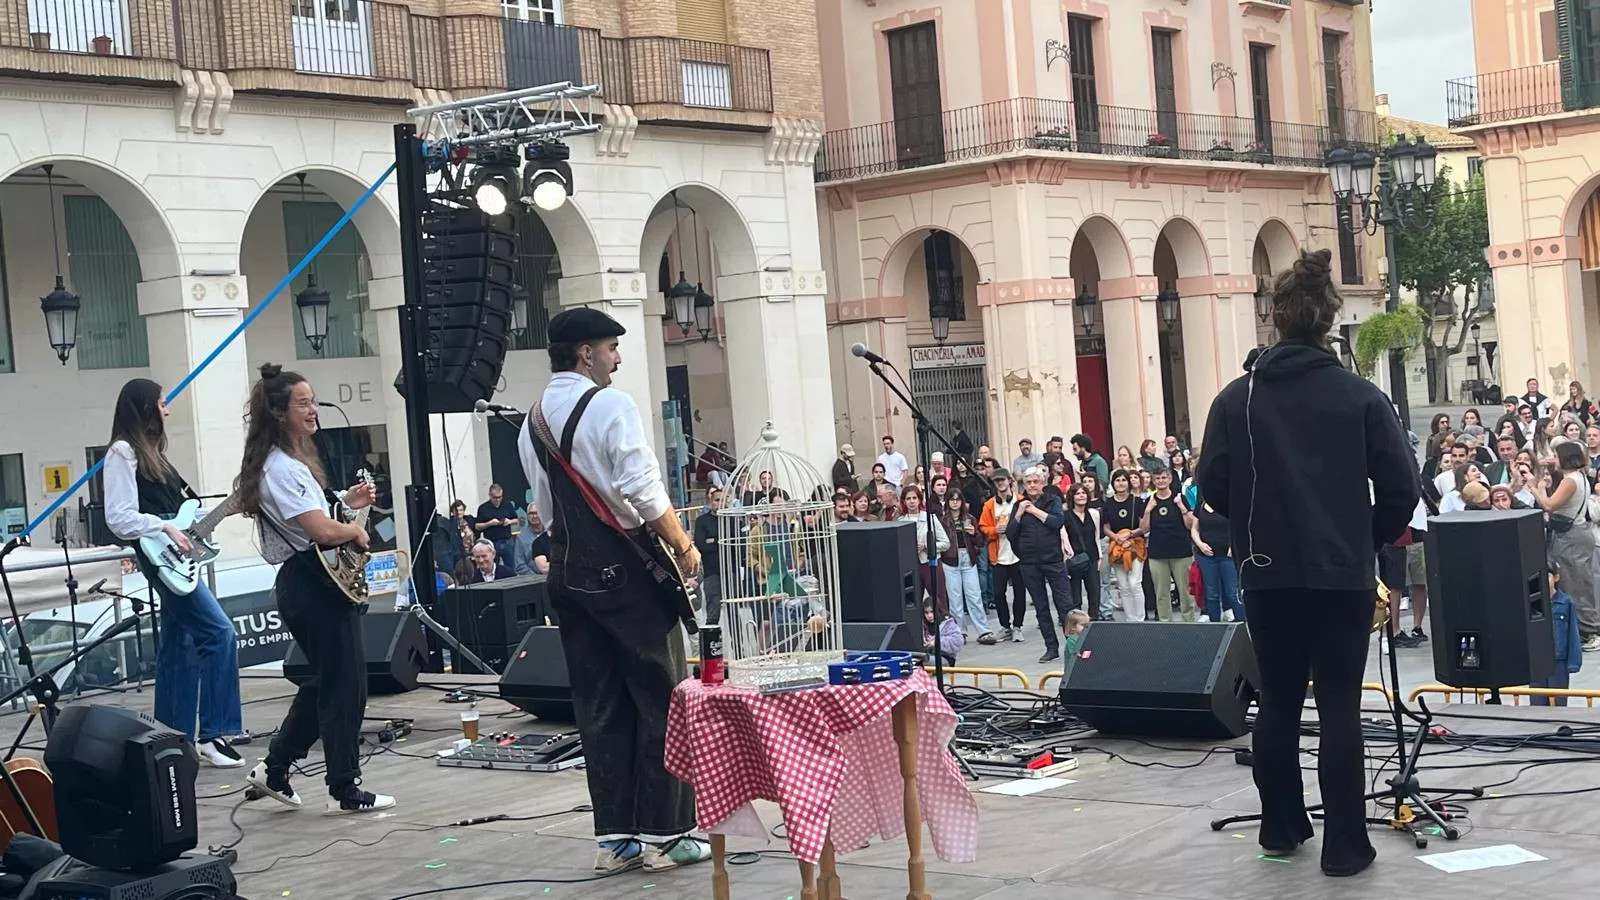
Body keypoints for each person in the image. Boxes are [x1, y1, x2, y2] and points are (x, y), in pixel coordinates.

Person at [1196, 249, 1418, 877]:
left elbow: (1212, 484)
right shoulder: (1360, 396)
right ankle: (1346, 848)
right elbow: (1402, 490)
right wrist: (1362, 537)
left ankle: (1281, 827)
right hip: (1341, 572)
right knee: (1341, 706)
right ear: (1328, 321)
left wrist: (1253, 522)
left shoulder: (1234, 399)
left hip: (1267, 573)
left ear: (1276, 319)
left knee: (1279, 704)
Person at [517, 307, 710, 874]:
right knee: (662, 695)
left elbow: (546, 508)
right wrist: (682, 543)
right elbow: (641, 486)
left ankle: (617, 840)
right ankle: (672, 834)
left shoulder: (533, 419)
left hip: (569, 574)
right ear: (586, 354)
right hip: (626, 571)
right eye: (610, 349)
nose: (617, 359)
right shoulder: (610, 405)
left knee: (598, 704)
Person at [238, 364, 394, 814]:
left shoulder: (286, 463)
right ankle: (345, 787)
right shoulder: (280, 468)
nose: (313, 410)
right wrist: (353, 531)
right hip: (310, 582)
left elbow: (316, 513)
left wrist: (348, 502)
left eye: (312, 401)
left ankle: (276, 767)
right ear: (279, 413)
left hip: (311, 581)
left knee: (327, 681)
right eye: (302, 403)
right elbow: (320, 531)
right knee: (345, 686)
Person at [103, 378, 244, 769]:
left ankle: (171, 739)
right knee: (219, 633)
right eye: (163, 403)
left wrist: (225, 509)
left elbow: (180, 513)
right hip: (159, 557)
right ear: (147, 409)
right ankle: (216, 734)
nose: (167, 410)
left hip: (173, 556)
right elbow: (118, 517)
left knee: (178, 649)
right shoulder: (122, 452)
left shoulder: (154, 457)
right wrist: (163, 528)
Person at [1531, 440, 1600, 652]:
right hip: (1577, 533)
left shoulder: (1571, 480)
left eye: (1557, 456)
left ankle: (1589, 631)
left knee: (1575, 581)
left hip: (1572, 536)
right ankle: (1587, 628)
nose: (1555, 459)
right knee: (1579, 579)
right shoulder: (1580, 477)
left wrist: (1536, 489)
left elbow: (1549, 505)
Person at [1006, 467, 1073, 663]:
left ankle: (1073, 645)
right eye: (1029, 482)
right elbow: (1010, 533)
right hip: (1029, 563)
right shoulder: (1018, 505)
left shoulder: (1053, 500)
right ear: (1024, 485)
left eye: (1036, 481)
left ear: (1043, 483)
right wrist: (1019, 512)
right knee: (1041, 607)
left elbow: (1057, 522)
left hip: (1053, 560)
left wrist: (1033, 511)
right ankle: (1051, 647)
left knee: (1065, 606)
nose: (1032, 485)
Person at [1139, 469, 1197, 622]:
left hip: (1181, 552)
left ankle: (1189, 623)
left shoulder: (1180, 498)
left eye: (1164, 478)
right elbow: (1144, 529)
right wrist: (1148, 510)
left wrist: (1183, 509)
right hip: (1157, 554)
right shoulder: (1149, 501)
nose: (1161, 481)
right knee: (1161, 593)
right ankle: (1166, 624)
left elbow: (1191, 526)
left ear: (1170, 479)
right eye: (1157, 478)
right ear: (1153, 480)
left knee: (1186, 592)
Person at [979, 468, 1028, 643]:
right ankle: (1005, 626)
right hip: (998, 555)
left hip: (1018, 555)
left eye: (1003, 480)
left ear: (1010, 481)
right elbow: (983, 526)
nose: (1000, 484)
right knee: (999, 593)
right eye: (997, 481)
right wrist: (994, 530)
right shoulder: (989, 505)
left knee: (1020, 592)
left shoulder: (1021, 501)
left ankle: (1018, 626)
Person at [1532, 563, 1582, 706]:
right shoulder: (1533, 602)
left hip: (1558, 662)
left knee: (1558, 703)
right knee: (1537, 704)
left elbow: (1573, 634)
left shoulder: (1566, 603)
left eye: (1547, 575)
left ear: (1556, 577)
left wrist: (1573, 662)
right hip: (1538, 662)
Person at [1189, 490, 1243, 623]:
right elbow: (1194, 529)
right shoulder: (1200, 505)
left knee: (1232, 593)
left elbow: (1239, 526)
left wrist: (1234, 545)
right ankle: (1215, 626)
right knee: (1211, 593)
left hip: (1227, 555)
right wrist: (1200, 544)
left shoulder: (1229, 505)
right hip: (1206, 556)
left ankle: (1242, 625)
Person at [694, 488, 723, 624]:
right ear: (711, 501)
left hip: (731, 572)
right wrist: (721, 541)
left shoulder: (732, 520)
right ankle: (711, 643)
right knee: (713, 611)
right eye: (717, 500)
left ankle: (738, 645)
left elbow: (737, 543)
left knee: (734, 612)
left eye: (723, 500)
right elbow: (701, 545)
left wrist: (713, 540)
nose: (720, 503)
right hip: (712, 572)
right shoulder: (702, 521)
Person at [475, 483, 519, 564]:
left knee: (512, 566)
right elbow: (477, 526)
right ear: (490, 495)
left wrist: (509, 522)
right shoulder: (483, 508)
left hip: (507, 541)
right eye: (495, 497)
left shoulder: (507, 504)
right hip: (491, 542)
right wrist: (489, 523)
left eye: (500, 497)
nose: (498, 500)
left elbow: (517, 520)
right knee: (492, 567)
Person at [921, 599, 964, 666]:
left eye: (932, 612)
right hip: (928, 654)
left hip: (945, 658)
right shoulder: (924, 624)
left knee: (924, 662)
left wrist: (936, 642)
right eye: (926, 613)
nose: (929, 616)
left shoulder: (948, 622)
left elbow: (958, 641)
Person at [513, 505, 550, 576]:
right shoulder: (521, 537)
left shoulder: (550, 534)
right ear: (527, 516)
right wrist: (535, 578)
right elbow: (520, 565)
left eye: (537, 513)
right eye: (531, 513)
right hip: (531, 579)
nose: (534, 516)